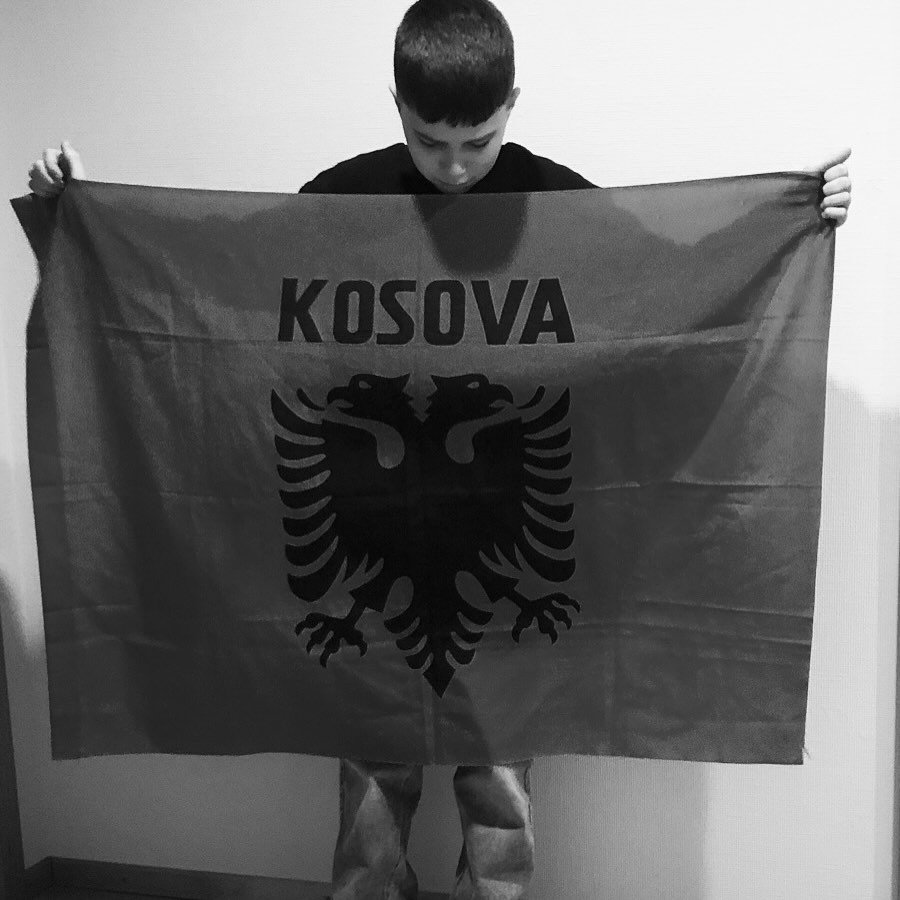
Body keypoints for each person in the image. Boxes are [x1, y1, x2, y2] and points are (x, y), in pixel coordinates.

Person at [27, 2, 852, 898]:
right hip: (366, 540)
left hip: (505, 561)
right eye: (430, 142)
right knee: (371, 783)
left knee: (501, 780)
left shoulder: (560, 204)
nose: (454, 166)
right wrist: (85, 219)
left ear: (512, 105)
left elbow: (676, 294)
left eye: (478, 142)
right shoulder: (341, 199)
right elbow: (211, 291)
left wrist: (790, 221)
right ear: (396, 105)